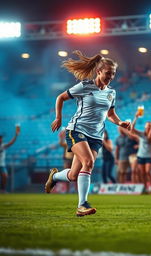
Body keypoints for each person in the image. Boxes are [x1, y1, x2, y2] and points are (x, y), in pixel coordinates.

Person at [45, 51, 130, 216]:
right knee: (89, 162)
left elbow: (110, 115)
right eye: (108, 73)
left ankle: (54, 177)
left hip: (96, 136)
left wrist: (120, 122)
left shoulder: (111, 93)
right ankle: (82, 205)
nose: (110, 76)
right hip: (77, 130)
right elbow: (60, 97)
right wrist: (58, 117)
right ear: (99, 72)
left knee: (73, 175)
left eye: (113, 74)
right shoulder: (85, 86)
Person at [131, 113, 151, 193]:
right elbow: (132, 129)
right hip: (141, 156)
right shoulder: (141, 134)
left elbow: (148, 139)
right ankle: (145, 188)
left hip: (149, 156)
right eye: (147, 125)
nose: (148, 126)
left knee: (148, 172)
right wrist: (136, 117)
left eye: (149, 125)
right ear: (145, 126)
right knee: (142, 173)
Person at [0, 126, 20, 193]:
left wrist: (16, 135)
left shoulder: (2, 145)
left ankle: (2, 190)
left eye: (1, 138)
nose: (1, 139)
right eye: (0, 138)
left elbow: (11, 143)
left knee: (5, 176)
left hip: (2, 165)